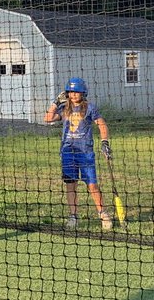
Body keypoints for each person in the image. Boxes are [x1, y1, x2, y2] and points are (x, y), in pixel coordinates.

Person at [44, 77, 113, 230]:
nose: (74, 95)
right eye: (71, 92)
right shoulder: (64, 108)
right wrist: (55, 102)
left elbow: (102, 125)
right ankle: (73, 216)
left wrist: (104, 142)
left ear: (83, 93)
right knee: (71, 185)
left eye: (77, 92)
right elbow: (48, 118)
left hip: (85, 153)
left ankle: (103, 213)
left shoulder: (90, 108)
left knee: (92, 185)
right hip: (68, 152)